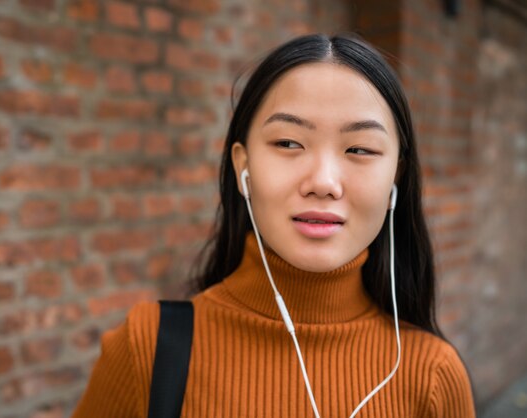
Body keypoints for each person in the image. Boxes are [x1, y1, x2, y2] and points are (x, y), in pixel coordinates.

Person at [72, 33, 476, 418]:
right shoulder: (147, 348)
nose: (322, 182)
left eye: (360, 149)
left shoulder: (433, 376)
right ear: (242, 164)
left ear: (396, 177)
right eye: (288, 143)